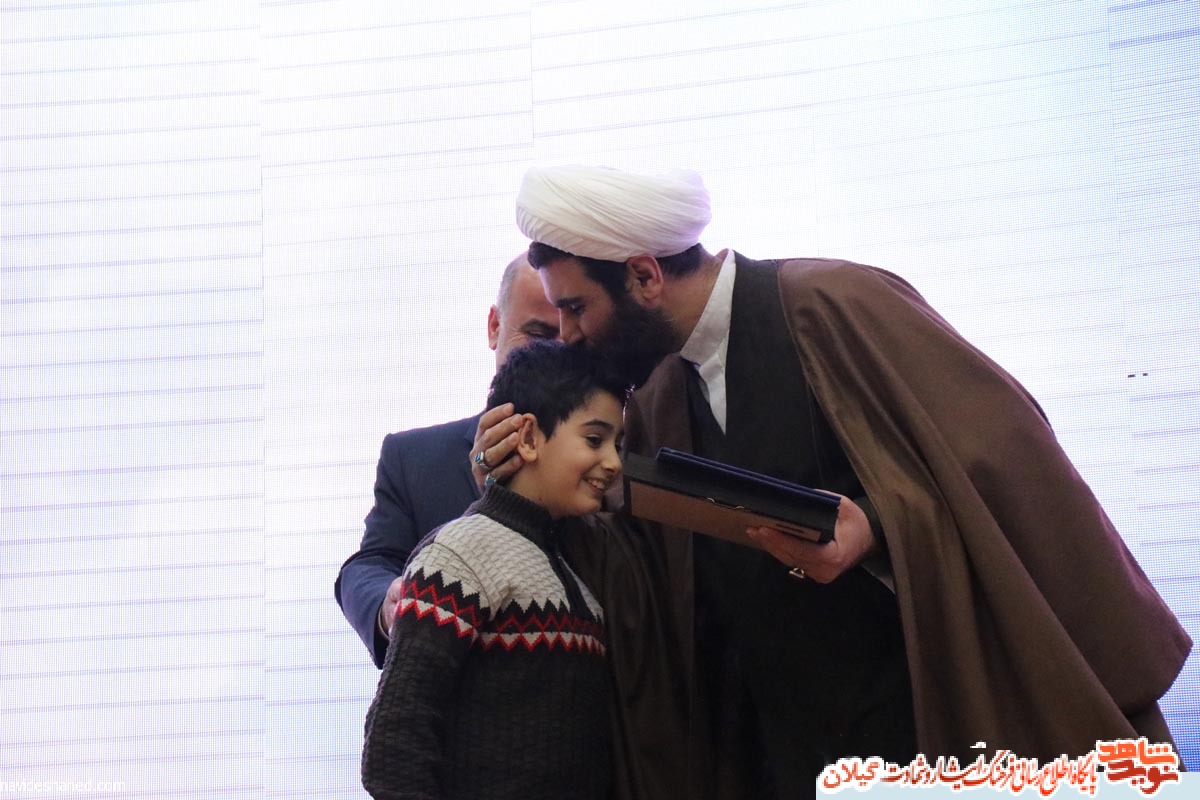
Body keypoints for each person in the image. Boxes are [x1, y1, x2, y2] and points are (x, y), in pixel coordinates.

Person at [486, 164, 1191, 797]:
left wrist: (875, 527)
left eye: (575, 308)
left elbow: (1005, 459)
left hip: (927, 734)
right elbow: (643, 575)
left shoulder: (833, 304)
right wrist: (519, 477)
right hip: (787, 755)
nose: (569, 335)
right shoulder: (663, 392)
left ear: (644, 276)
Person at [360, 340, 626, 800]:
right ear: (528, 438)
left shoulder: (575, 574)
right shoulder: (460, 554)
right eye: (594, 440)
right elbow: (394, 740)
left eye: (617, 444)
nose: (614, 463)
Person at [335, 253, 559, 667]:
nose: (554, 355)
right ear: (494, 327)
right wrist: (387, 604)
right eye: (538, 334)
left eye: (570, 339)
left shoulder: (616, 461)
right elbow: (369, 566)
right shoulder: (413, 459)